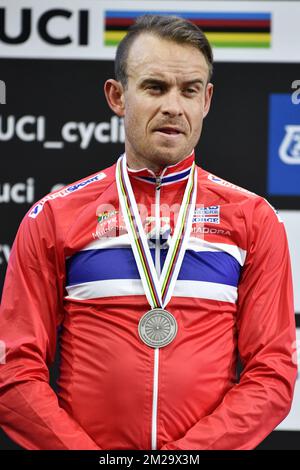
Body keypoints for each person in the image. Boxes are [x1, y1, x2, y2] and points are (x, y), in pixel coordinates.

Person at [0, 14, 297, 451]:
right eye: (155, 87)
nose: (173, 106)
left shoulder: (253, 219)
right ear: (118, 96)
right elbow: (14, 370)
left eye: (189, 89)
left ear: (207, 100)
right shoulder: (53, 217)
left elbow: (272, 373)